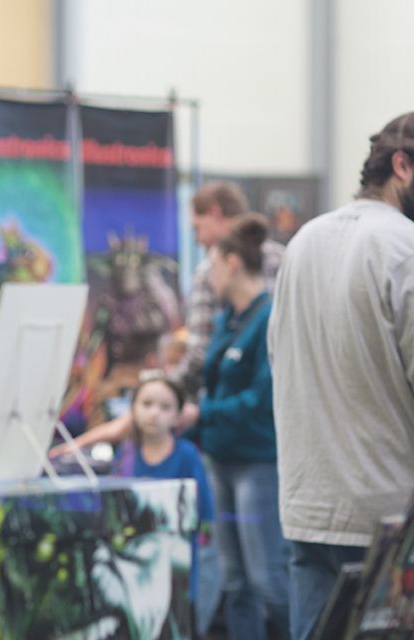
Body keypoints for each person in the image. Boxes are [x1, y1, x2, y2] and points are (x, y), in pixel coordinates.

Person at [267, 112, 414, 640]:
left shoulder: (303, 242)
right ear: (402, 166)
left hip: (310, 504)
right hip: (389, 519)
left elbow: (277, 356)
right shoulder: (405, 247)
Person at [49, 181, 285, 455]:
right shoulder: (281, 263)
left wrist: (166, 395)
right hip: (235, 435)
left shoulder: (237, 295)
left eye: (197, 227)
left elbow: (200, 357)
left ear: (215, 213)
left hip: (250, 438)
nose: (197, 239)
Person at [182, 213, 289, 640]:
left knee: (268, 579)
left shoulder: (269, 319)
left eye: (210, 266)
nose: (206, 278)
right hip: (220, 461)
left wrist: (201, 414)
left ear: (231, 263)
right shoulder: (227, 319)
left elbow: (262, 399)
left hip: (256, 465)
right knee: (234, 580)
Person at [110, 370, 214, 633]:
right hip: (133, 575)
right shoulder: (125, 454)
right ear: (133, 409)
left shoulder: (188, 456)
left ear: (178, 415)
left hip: (177, 574)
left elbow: (203, 515)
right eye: (146, 404)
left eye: (165, 407)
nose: (154, 413)